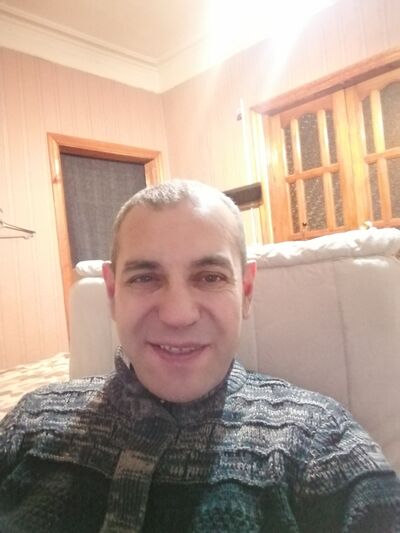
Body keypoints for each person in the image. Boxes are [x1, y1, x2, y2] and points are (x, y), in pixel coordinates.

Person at [0, 179, 399, 532]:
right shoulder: (31, 420)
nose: (178, 315)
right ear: (112, 292)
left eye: (210, 277)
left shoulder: (319, 441)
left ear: (245, 291)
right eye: (145, 277)